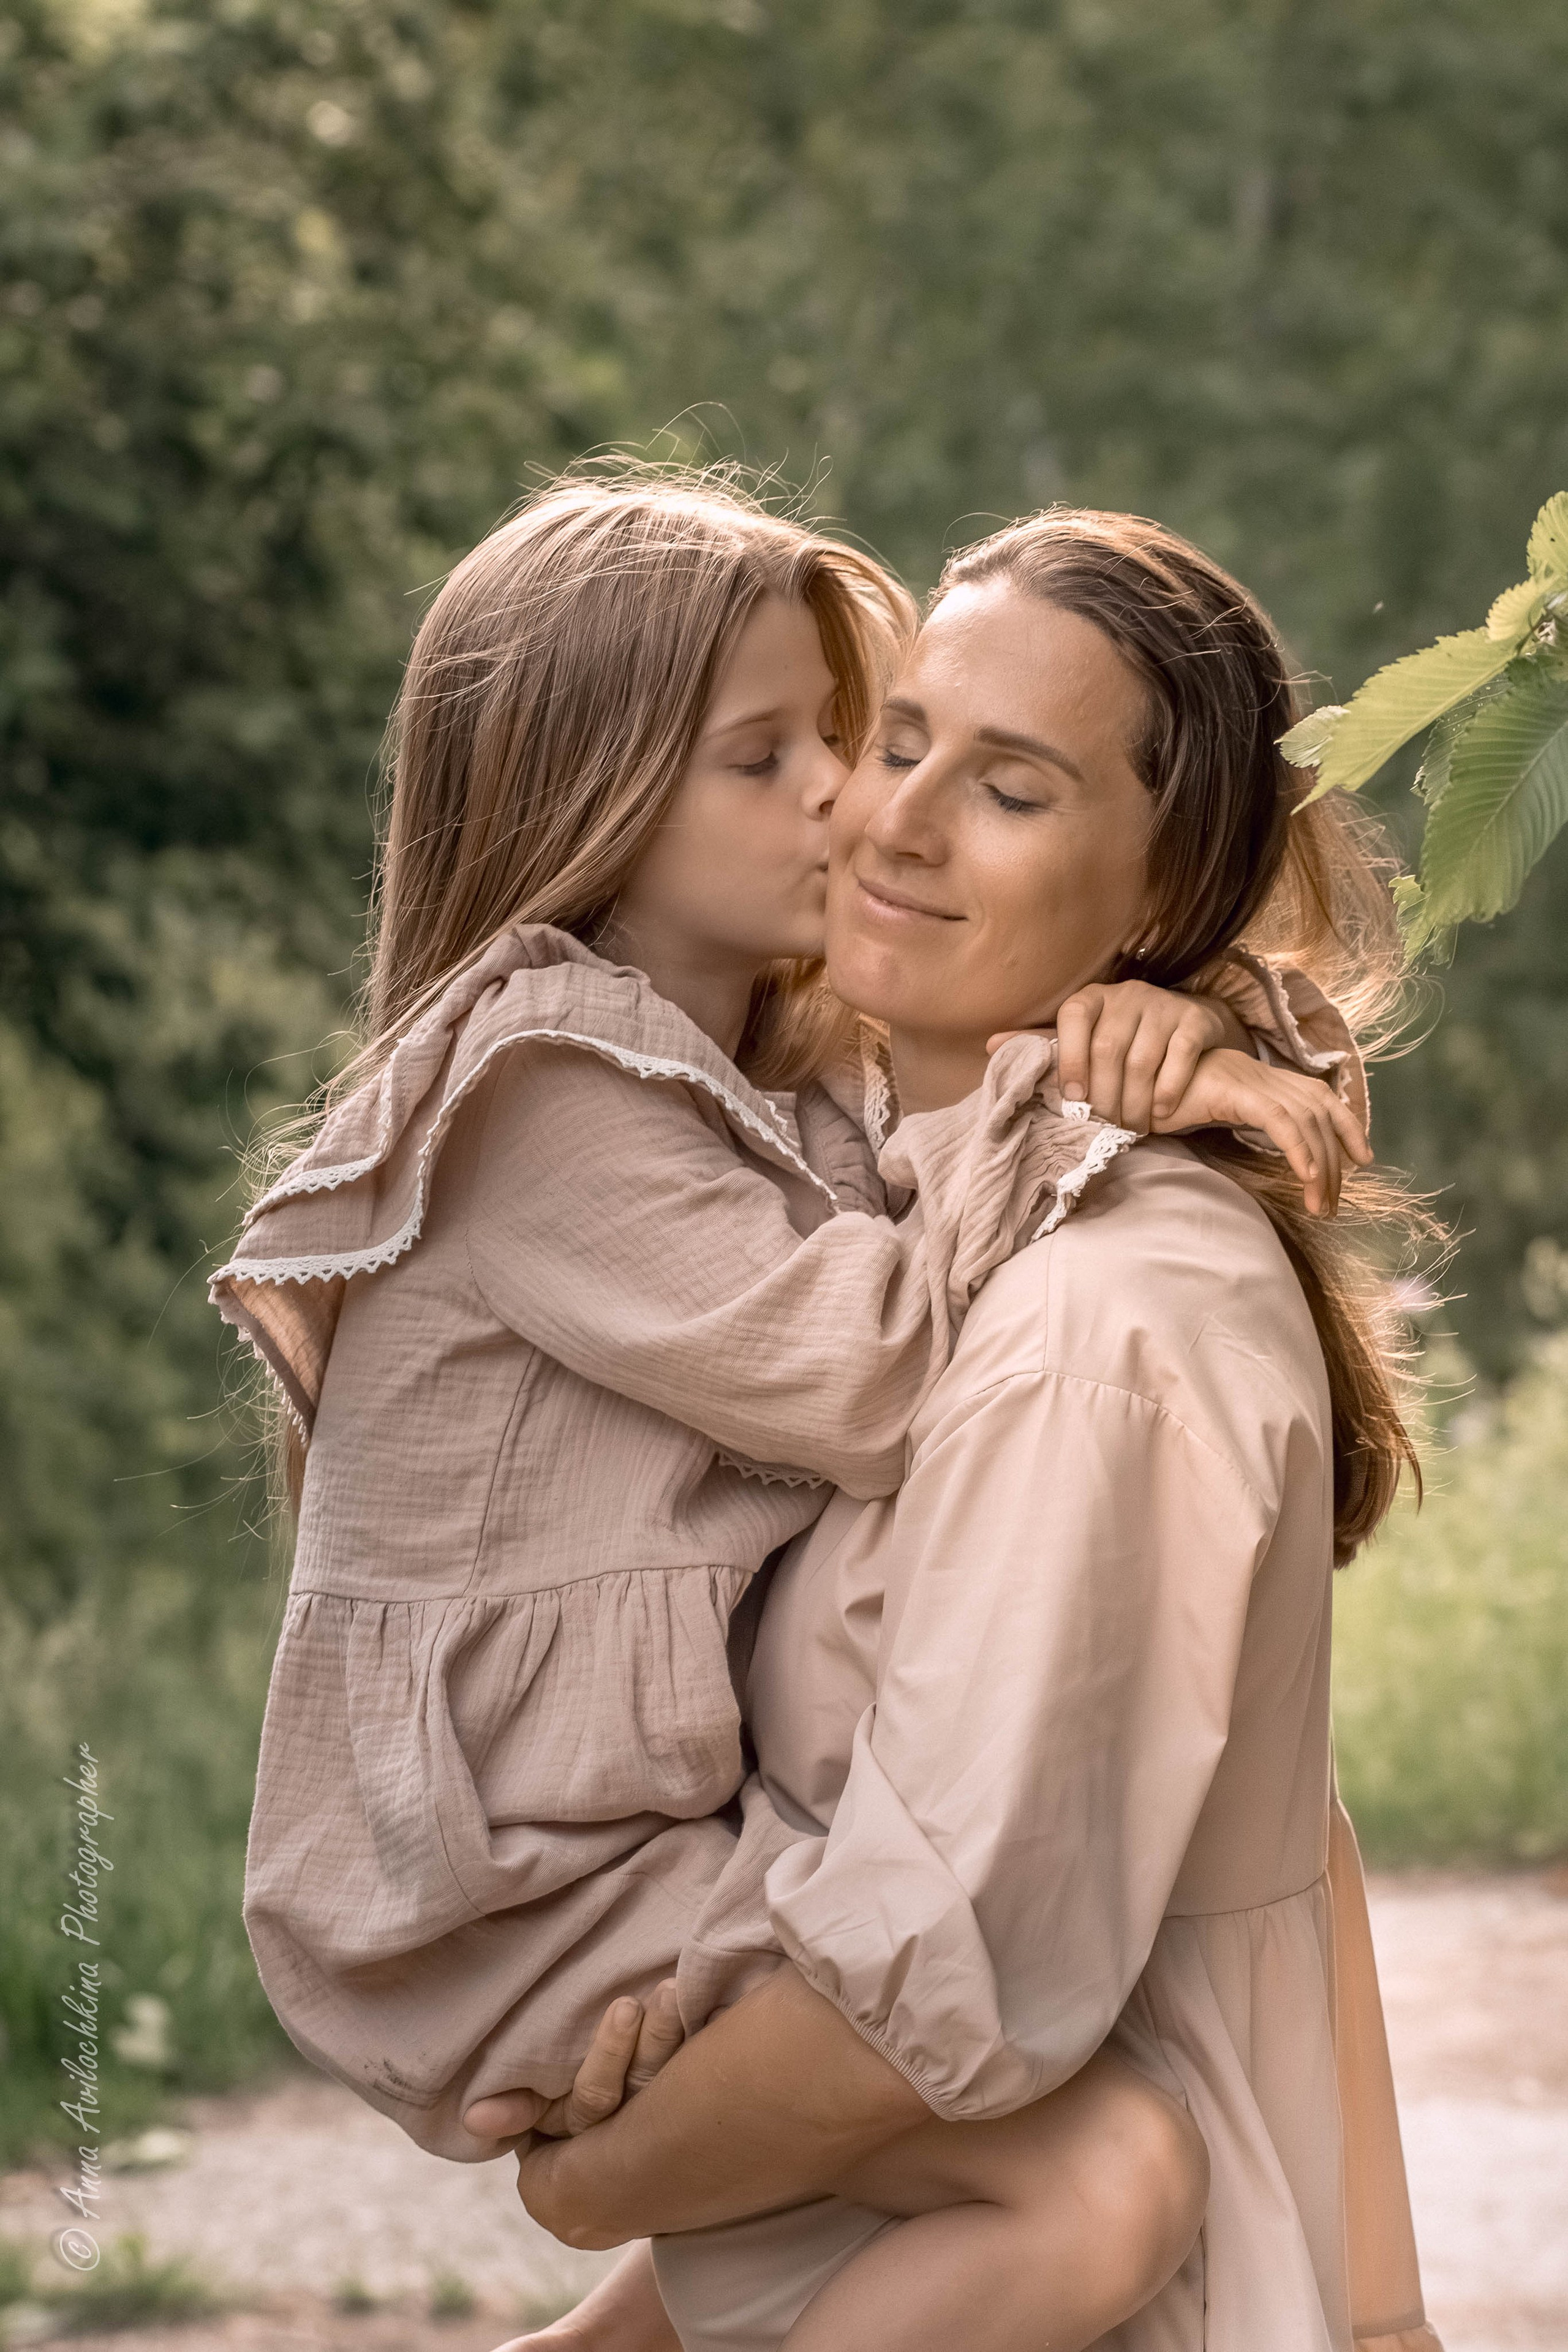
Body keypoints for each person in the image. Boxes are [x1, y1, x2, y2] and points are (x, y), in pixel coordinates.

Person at [210, 473, 1373, 2352]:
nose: (853, 800)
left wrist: (1198, 1031)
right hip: (509, 1877)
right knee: (1093, 2180)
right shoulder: (544, 1093)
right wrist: (1106, 1099)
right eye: (784, 757)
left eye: (854, 736)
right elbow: (883, 1355)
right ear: (588, 802)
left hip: (632, 1830)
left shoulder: (749, 1059)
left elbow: (1007, 1055)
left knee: (1003, 2145)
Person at [509, 511, 1444, 2352]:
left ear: (1161, 901)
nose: (896, 823)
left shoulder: (1099, 1327)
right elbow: (1272, 1826)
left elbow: (919, 2013)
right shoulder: (889, 1196)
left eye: (1012, 792)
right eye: (907, 739)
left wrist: (574, 2173)